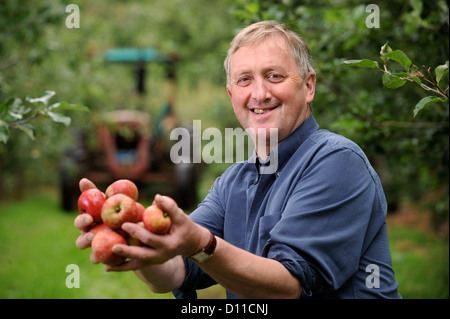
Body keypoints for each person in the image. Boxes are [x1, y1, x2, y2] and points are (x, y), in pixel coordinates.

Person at [75, 20, 401, 299]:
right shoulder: (234, 182)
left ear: (309, 86)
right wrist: (133, 242)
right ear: (232, 95)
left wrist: (202, 244)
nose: (259, 93)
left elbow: (290, 286)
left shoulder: (336, 161)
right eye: (244, 80)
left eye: (274, 76)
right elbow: (177, 270)